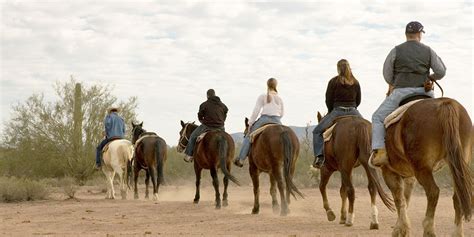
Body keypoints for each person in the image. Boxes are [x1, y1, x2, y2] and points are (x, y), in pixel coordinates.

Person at [370, 21, 446, 166]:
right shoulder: (428, 50)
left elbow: (387, 75)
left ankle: (380, 152)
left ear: (406, 35)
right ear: (419, 34)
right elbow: (441, 71)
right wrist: (431, 78)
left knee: (377, 117)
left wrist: (397, 82)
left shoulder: (396, 51)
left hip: (401, 92)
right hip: (425, 93)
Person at [312, 59, 363, 168]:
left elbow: (328, 100)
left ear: (338, 68)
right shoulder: (356, 82)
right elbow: (359, 100)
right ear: (349, 67)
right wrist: (352, 108)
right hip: (354, 111)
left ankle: (319, 157)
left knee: (316, 132)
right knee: (370, 130)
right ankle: (374, 152)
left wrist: (330, 111)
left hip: (338, 111)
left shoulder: (333, 81)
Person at [234, 78, 284, 167]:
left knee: (249, 135)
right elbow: (282, 113)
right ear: (276, 86)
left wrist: (250, 123)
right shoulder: (279, 98)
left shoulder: (263, 96)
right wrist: (276, 117)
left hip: (264, 119)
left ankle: (241, 159)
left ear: (267, 85)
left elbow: (256, 110)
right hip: (277, 120)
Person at [184, 89, 228, 162]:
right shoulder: (223, 105)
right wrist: (221, 122)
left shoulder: (204, 105)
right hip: (220, 127)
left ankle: (189, 155)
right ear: (214, 94)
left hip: (207, 126)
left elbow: (200, 116)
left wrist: (202, 121)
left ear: (207, 96)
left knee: (192, 136)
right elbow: (225, 114)